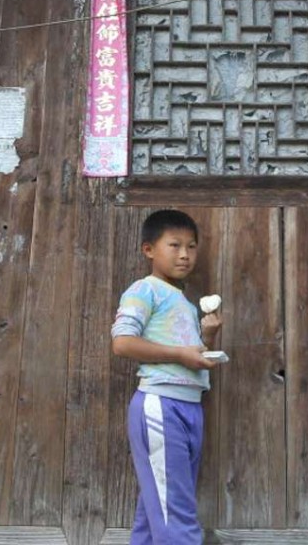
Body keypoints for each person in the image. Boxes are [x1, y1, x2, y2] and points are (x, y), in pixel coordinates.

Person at [111, 209, 224, 545]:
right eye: (174, 245)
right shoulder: (144, 290)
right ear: (149, 250)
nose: (185, 254)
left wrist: (209, 338)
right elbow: (122, 343)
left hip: (190, 407)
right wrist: (180, 354)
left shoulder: (186, 303)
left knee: (156, 507)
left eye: (191, 246)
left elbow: (191, 356)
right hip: (160, 406)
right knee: (175, 512)